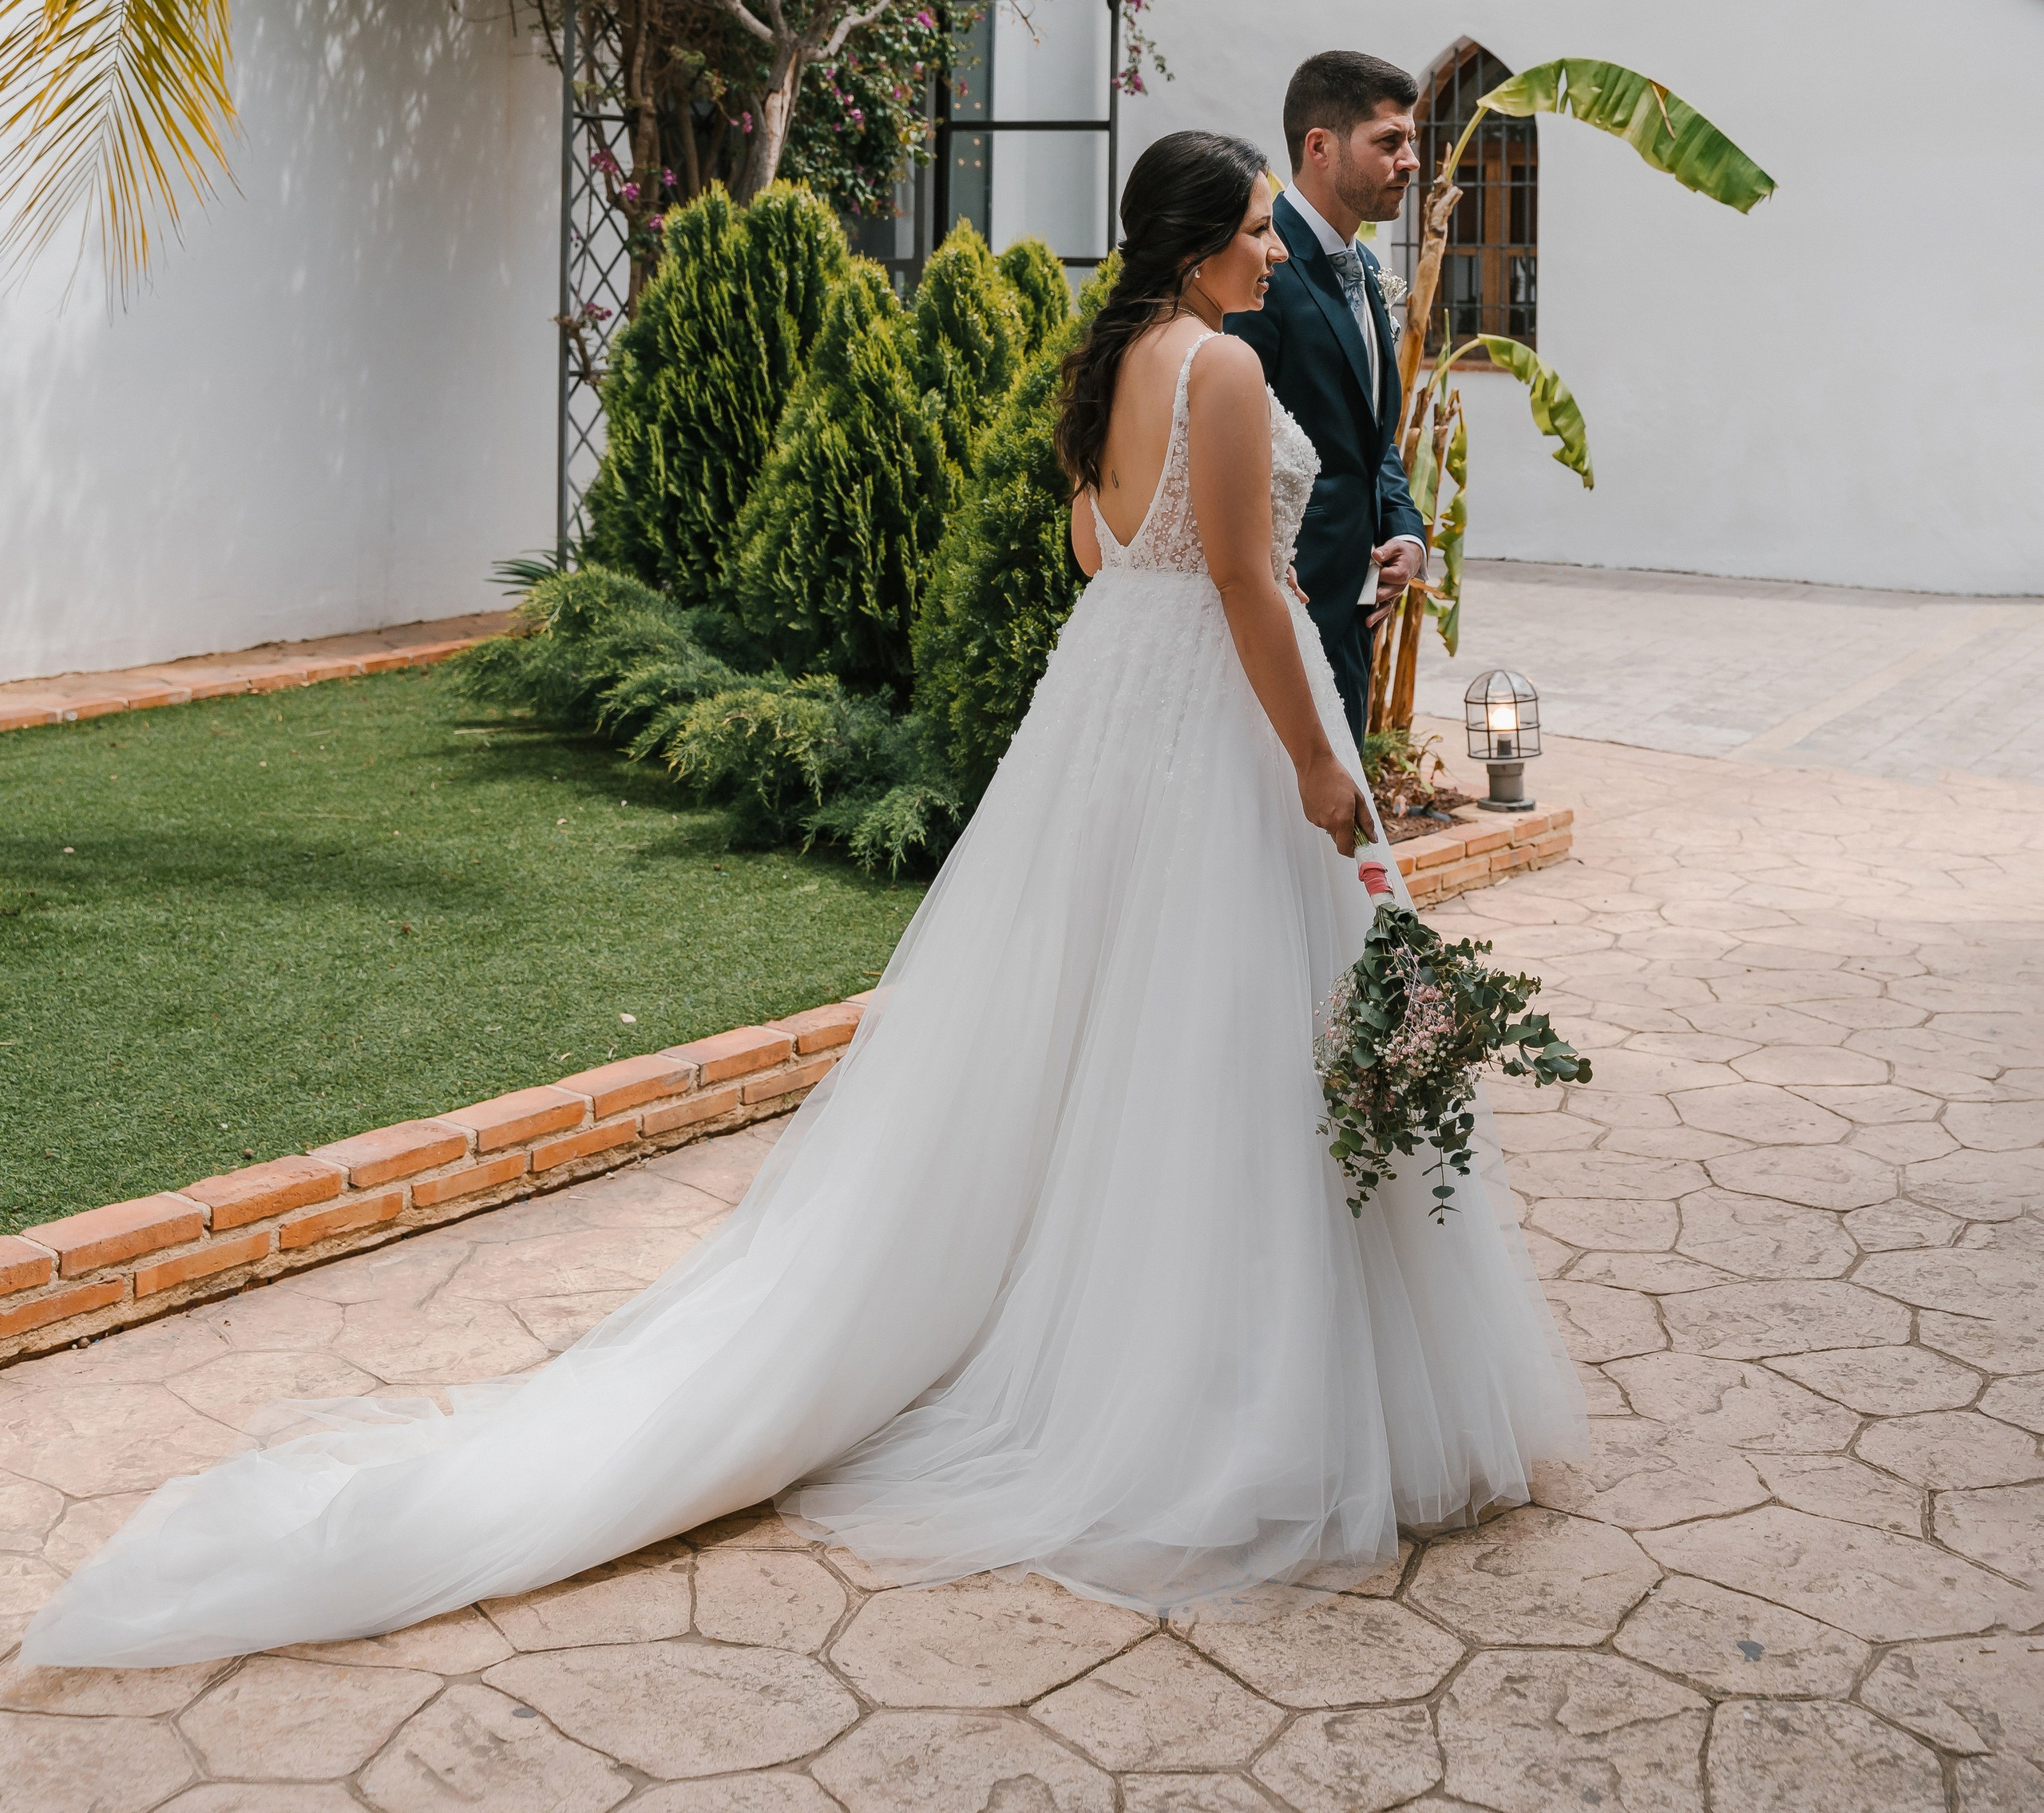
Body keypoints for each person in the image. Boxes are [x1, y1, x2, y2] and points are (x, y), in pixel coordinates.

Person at [21, 133, 1582, 1672]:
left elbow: (1098, 545)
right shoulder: (1222, 367)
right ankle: (1209, 1393)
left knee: (1109, 1025)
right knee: (1213, 1037)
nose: (1272, 249)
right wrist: (1310, 758)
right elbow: (1238, 580)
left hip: (1115, 713)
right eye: (1251, 228)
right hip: (1213, 723)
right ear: (1193, 244)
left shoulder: (1114, 364)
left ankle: (1117, 1333)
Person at [1227, 51, 1431, 745]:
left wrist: (1405, 529)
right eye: (1389, 141)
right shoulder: (1255, 265)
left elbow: (1368, 437)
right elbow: (1227, 443)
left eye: (1411, 141)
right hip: (1284, 610)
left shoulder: (1368, 266)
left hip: (1354, 611)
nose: (1411, 162)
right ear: (1320, 147)